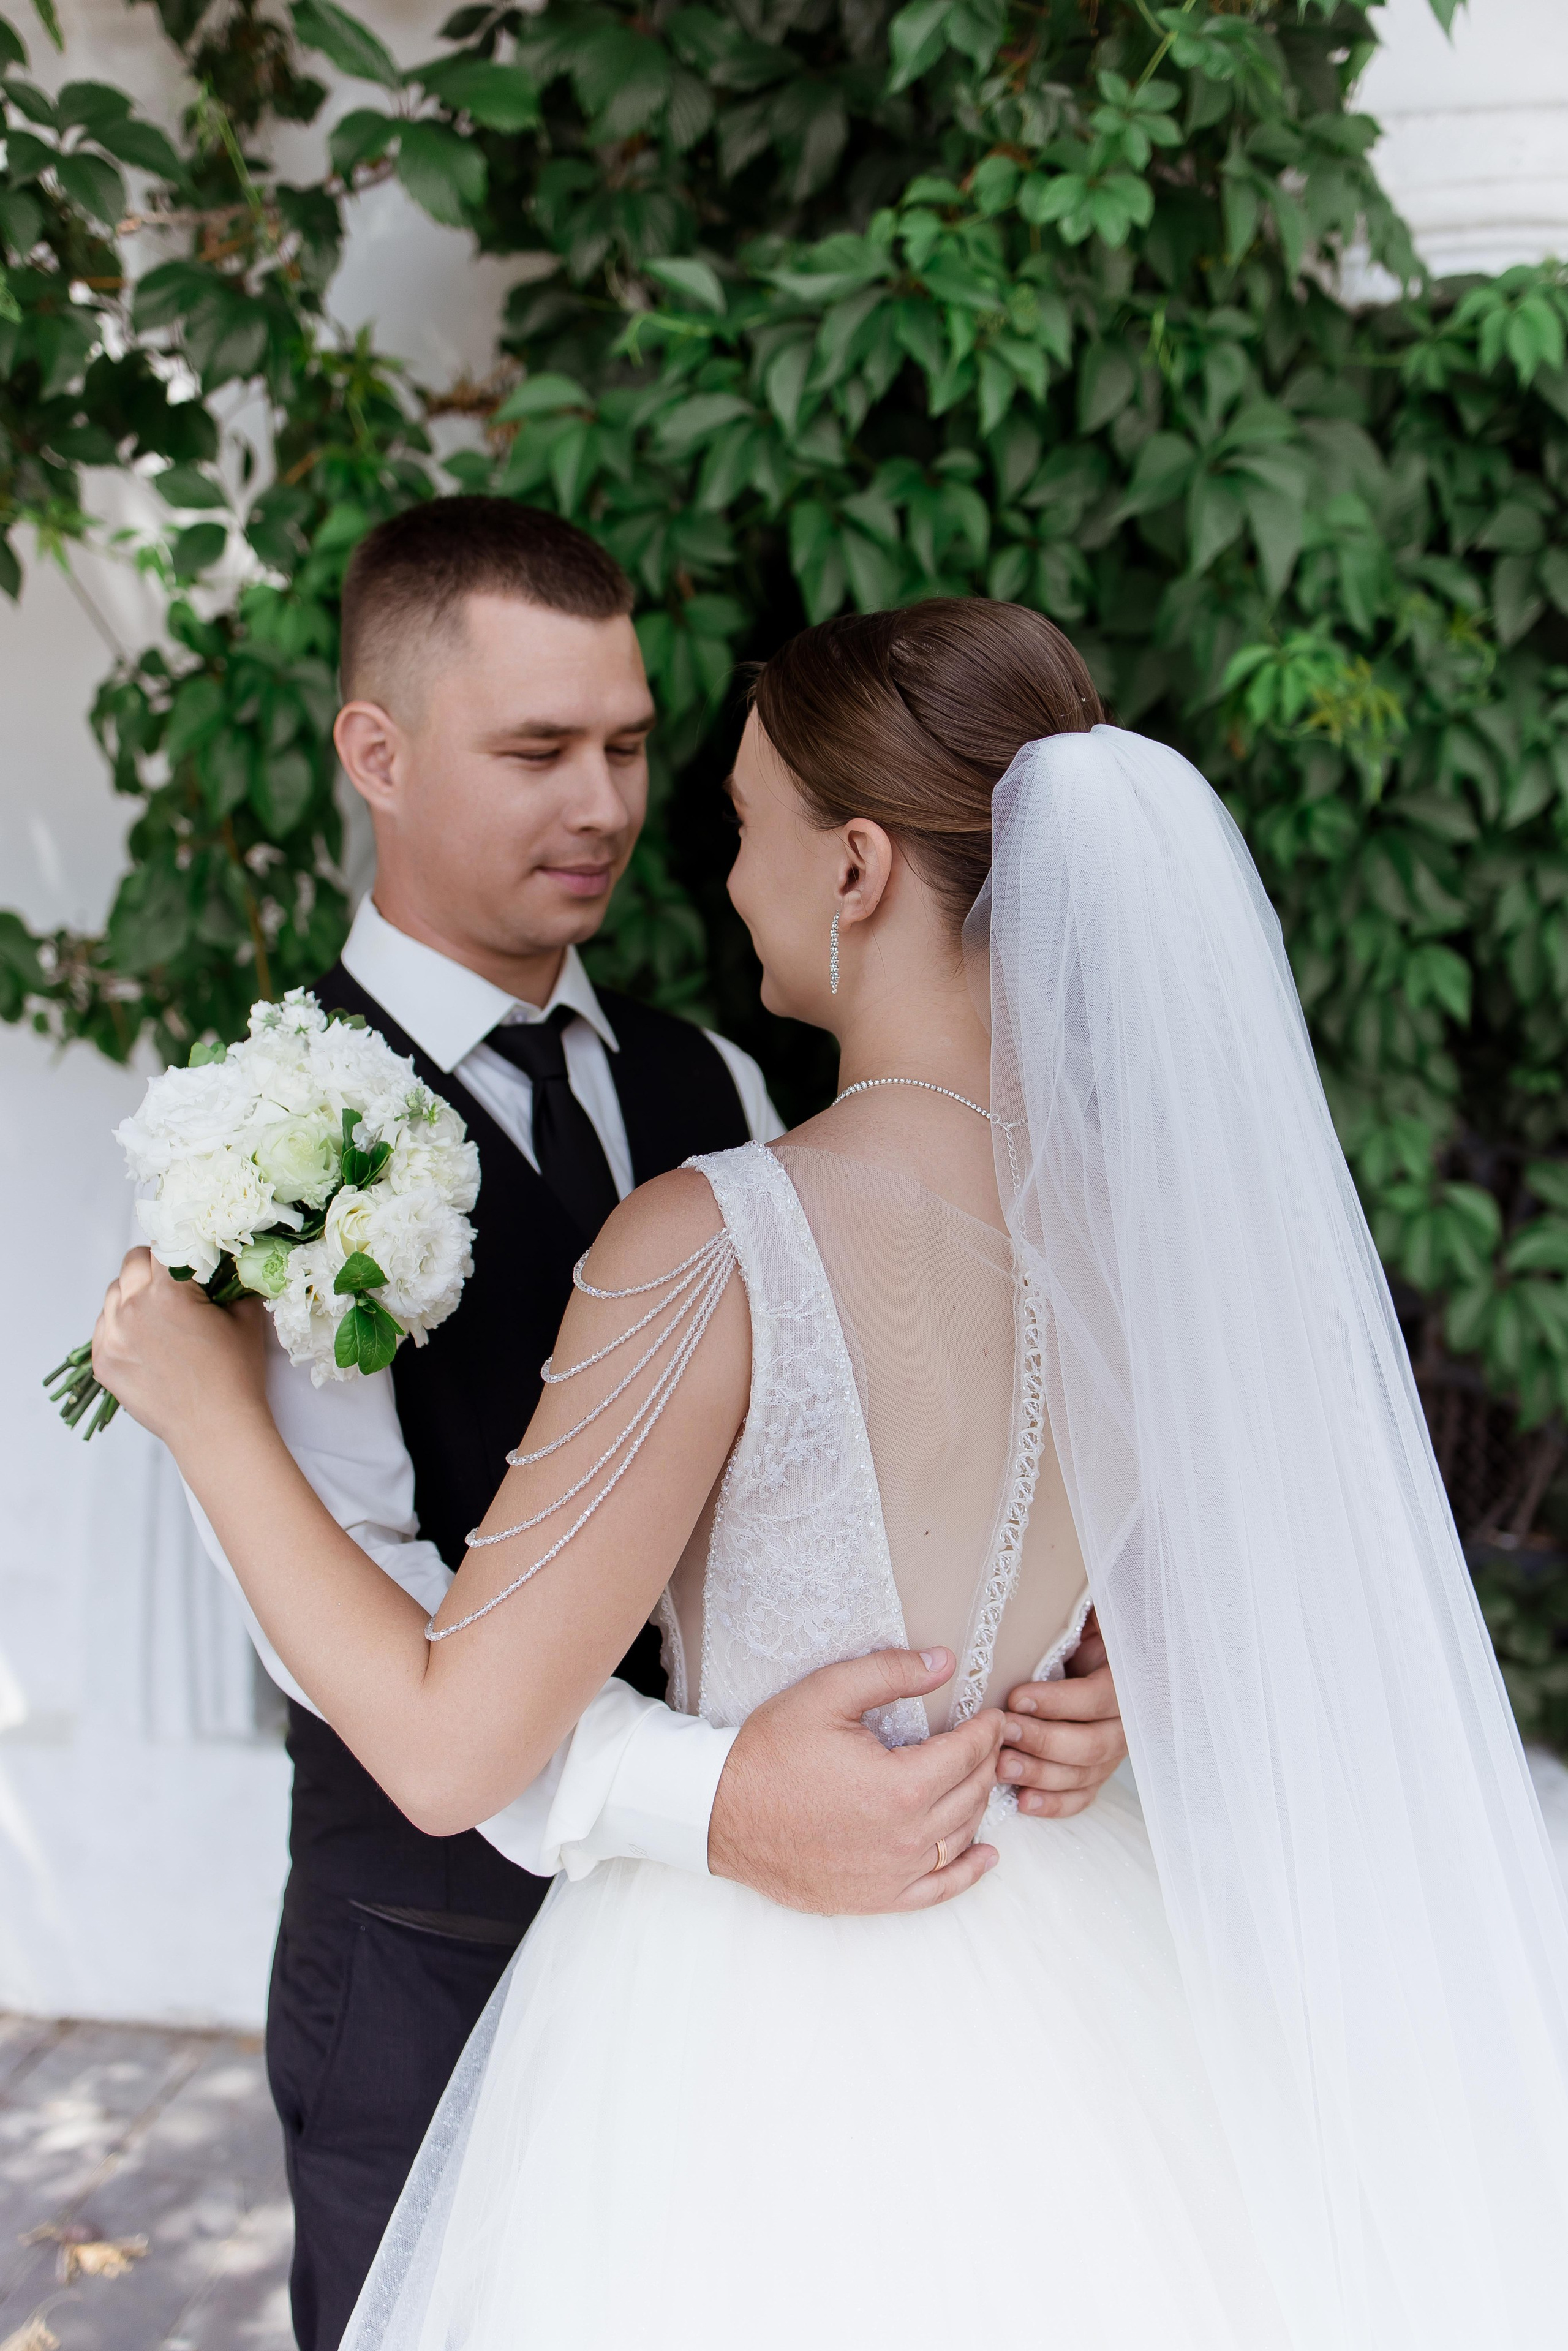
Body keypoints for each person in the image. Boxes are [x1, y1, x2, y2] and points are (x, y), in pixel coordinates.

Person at [98, 595, 1568, 2348]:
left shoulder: (715, 1235)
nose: (723, 879)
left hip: (751, 2026)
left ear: (857, 867)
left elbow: (441, 1745)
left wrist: (207, 1415)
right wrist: (1112, 1683)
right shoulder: (1146, 1233)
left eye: (743, 826)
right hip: (1069, 1975)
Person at [179, 508, 1128, 2350]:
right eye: (539, 750)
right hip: (435, 1952)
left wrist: (1080, 1675)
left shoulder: (731, 1087)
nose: (609, 806)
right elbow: (338, 1577)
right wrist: (715, 1805)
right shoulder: (261, 1136)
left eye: (628, 745)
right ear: (377, 752)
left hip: (829, 1954)